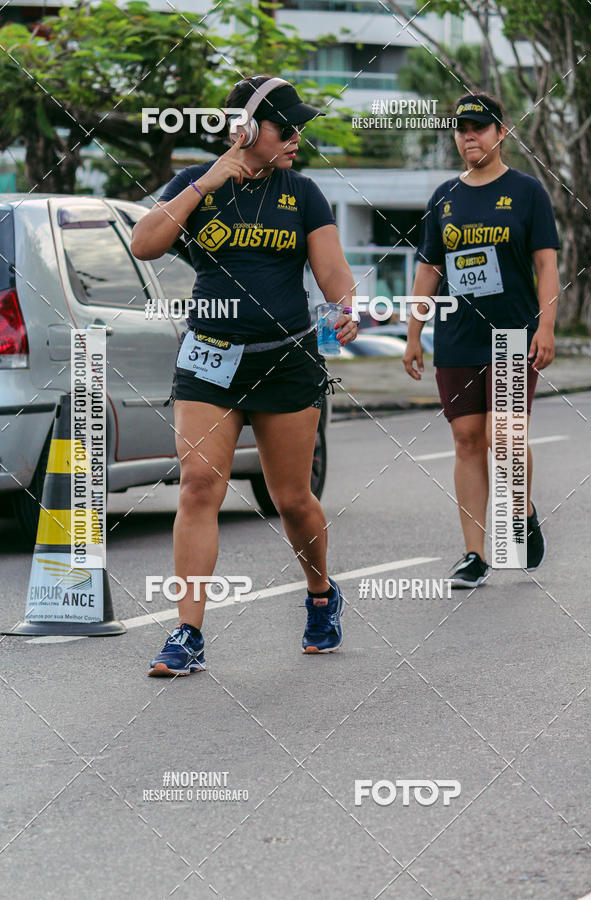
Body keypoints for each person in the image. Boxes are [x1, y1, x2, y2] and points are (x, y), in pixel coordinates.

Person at [131, 75, 358, 674]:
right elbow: (144, 243)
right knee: (198, 486)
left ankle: (320, 594)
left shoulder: (303, 193)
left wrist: (345, 306)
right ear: (248, 129)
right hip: (209, 358)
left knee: (292, 500)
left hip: (285, 359)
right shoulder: (196, 184)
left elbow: (332, 270)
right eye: (287, 127)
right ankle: (187, 633)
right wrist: (205, 182)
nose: (297, 137)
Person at [403, 93, 560, 589]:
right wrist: (413, 333)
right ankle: (474, 554)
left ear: (500, 133)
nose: (468, 135)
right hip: (457, 338)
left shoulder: (527, 191)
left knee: (503, 437)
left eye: (479, 127)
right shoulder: (444, 196)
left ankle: (522, 511)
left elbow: (546, 264)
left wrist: (547, 326)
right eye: (461, 128)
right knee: (467, 440)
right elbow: (429, 270)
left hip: (513, 334)